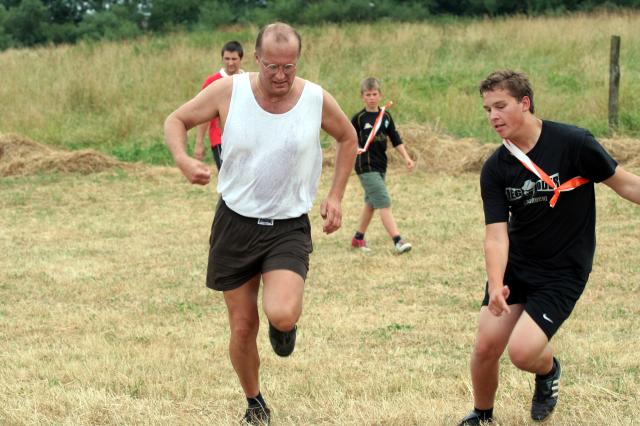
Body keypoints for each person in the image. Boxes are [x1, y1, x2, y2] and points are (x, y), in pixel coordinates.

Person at [164, 22, 357, 425]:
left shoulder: (315, 98)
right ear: (256, 59)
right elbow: (176, 120)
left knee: (282, 313)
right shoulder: (228, 91)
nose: (281, 76)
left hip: (287, 225)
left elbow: (347, 137)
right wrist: (183, 160)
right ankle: (255, 402)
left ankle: (283, 328)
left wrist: (336, 195)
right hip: (235, 222)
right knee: (242, 326)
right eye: (272, 66)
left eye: (289, 66)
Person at [458, 70, 640, 425]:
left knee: (522, 353)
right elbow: (496, 235)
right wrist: (495, 285)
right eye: (487, 109)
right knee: (485, 345)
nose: (493, 116)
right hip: (517, 267)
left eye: (500, 106)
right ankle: (482, 414)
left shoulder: (573, 143)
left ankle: (548, 370)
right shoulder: (496, 168)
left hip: (563, 270)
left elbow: (626, 184)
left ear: (525, 103)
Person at [350, 77, 414, 254]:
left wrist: (407, 158)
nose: (371, 98)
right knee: (383, 201)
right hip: (365, 166)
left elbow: (395, 139)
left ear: (380, 95)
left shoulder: (385, 116)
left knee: (371, 203)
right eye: (368, 94)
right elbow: (347, 139)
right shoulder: (359, 119)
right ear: (362, 96)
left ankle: (358, 238)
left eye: (374, 94)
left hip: (380, 166)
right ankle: (398, 241)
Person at [194, 40, 244, 170]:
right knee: (227, 177)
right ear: (222, 59)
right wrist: (199, 142)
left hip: (245, 139)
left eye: (234, 59)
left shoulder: (248, 81)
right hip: (220, 140)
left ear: (240, 59)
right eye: (227, 59)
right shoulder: (212, 82)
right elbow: (202, 114)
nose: (230, 63)